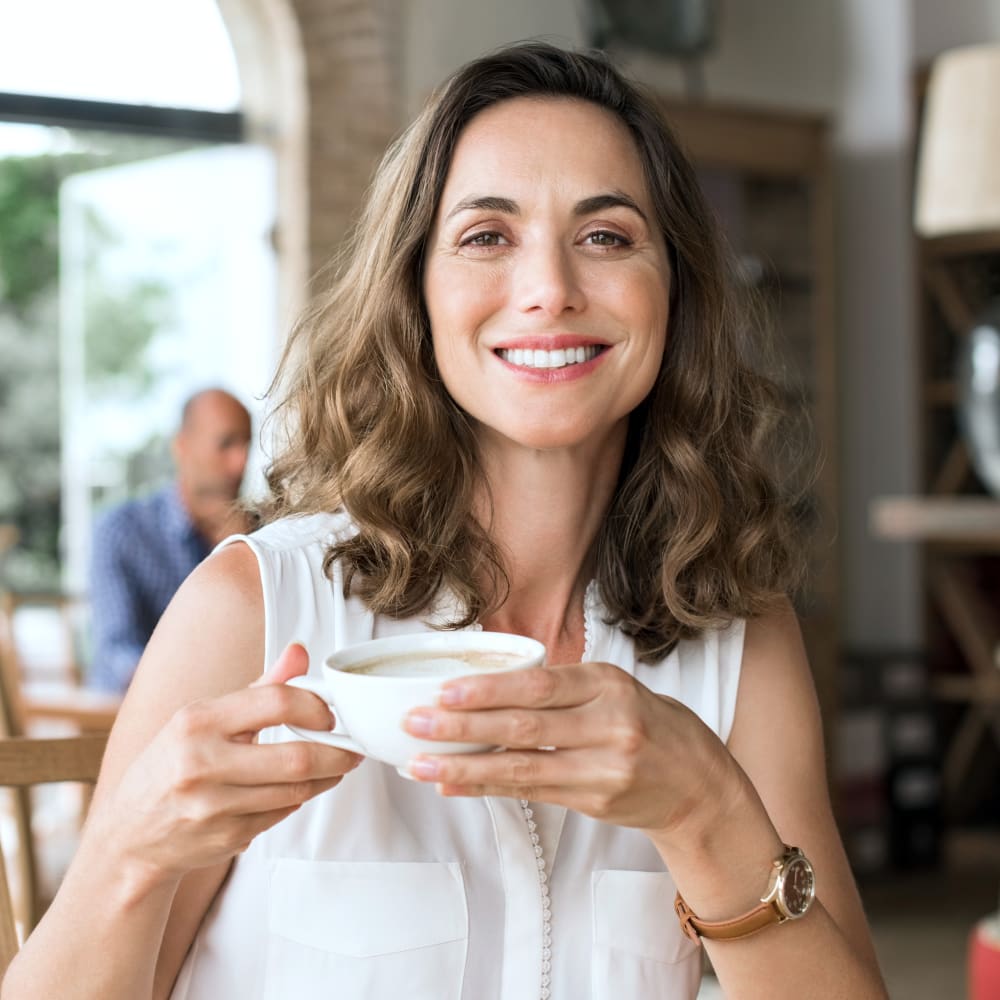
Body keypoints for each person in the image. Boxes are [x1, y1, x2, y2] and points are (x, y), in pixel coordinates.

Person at [3, 43, 888, 1000]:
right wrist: (127, 859)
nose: (550, 287)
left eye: (606, 236)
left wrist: (707, 812)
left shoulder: (738, 639)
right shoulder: (250, 608)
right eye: (485, 236)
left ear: (674, 290)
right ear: (414, 292)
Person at [87, 388, 253, 693]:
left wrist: (240, 553)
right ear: (182, 446)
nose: (241, 461)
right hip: (135, 718)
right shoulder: (122, 531)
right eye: (226, 444)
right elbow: (117, 653)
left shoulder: (260, 536)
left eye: (246, 444)